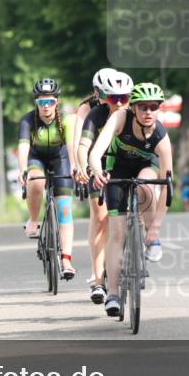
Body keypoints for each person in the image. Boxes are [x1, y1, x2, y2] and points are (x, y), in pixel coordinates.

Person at [89, 82, 173, 317]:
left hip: (145, 168)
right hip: (116, 170)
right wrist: (98, 173)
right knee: (116, 233)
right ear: (133, 108)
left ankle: (149, 239)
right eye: (143, 107)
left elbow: (167, 186)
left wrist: (156, 228)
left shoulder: (161, 137)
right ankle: (114, 294)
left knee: (147, 185)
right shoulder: (119, 118)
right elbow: (95, 154)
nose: (148, 112)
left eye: (153, 107)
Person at [74, 70, 134, 304]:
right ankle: (99, 280)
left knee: (132, 211)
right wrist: (81, 166)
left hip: (124, 166)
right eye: (113, 98)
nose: (119, 103)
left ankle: (137, 247)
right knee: (101, 218)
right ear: (103, 97)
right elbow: (82, 146)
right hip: (98, 166)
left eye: (124, 98)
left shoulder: (133, 113)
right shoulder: (95, 114)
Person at [18, 78, 77, 279]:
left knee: (65, 209)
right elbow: (24, 147)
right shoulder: (28, 120)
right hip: (37, 158)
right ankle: (33, 220)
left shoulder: (67, 120)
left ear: (56, 102)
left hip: (60, 158)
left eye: (49, 102)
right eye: (41, 102)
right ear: (36, 103)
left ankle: (66, 260)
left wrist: (76, 167)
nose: (46, 107)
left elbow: (71, 147)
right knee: (35, 181)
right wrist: (22, 169)